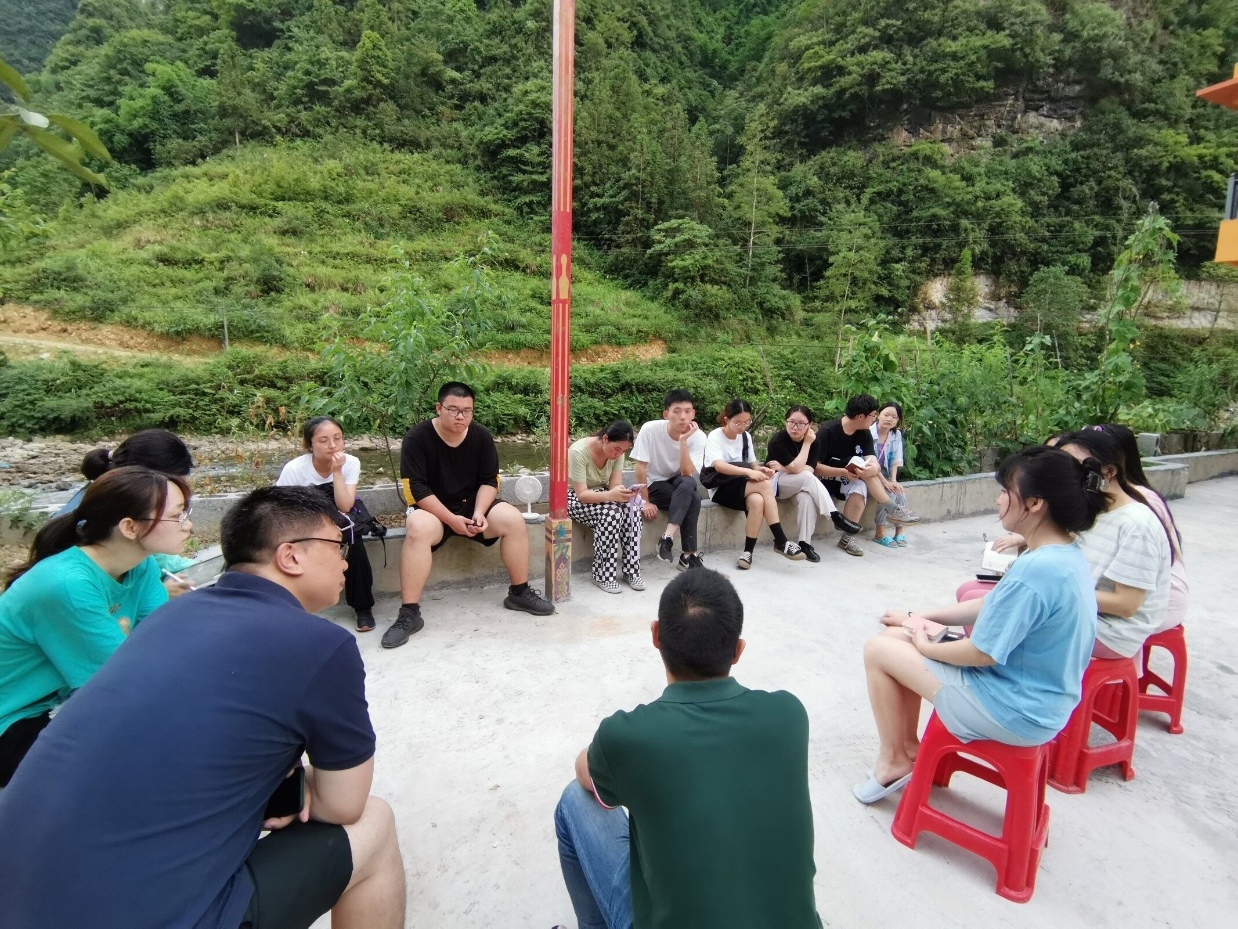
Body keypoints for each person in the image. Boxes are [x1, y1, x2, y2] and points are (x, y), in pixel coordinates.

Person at [0, 486, 405, 929]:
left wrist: (277, 785)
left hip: (18, 890)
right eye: (338, 545)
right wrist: (290, 787)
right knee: (374, 822)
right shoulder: (322, 645)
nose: (346, 560)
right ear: (290, 556)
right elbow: (344, 804)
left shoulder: (169, 617)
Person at [554, 568, 823, 929]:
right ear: (738, 650)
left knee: (575, 799)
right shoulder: (789, 714)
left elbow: (584, 772)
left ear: (655, 635)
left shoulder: (627, 735)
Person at [853, 446, 1105, 803]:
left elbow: (981, 653)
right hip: (1034, 697)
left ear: (1035, 503)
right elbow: (992, 604)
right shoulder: (1061, 553)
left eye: (1005, 491)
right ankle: (906, 750)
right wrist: (919, 618)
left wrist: (924, 643)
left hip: (1014, 708)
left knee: (878, 649)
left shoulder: (1038, 569)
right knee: (897, 633)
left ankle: (895, 759)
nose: (998, 500)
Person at [0, 466, 192, 786]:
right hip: (14, 718)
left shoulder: (140, 567)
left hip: (62, 702)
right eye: (177, 515)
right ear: (129, 527)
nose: (187, 524)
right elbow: (119, 685)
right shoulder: (69, 585)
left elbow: (161, 646)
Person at [383, 381, 554, 649]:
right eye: (453, 409)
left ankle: (519, 592)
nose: (460, 416)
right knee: (417, 528)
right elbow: (416, 489)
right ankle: (409, 614)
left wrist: (479, 512)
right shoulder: (417, 438)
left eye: (467, 411)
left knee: (512, 518)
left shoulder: (481, 437)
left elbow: (489, 480)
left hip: (472, 506)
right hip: (433, 509)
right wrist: (451, 520)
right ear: (439, 408)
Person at [1057, 428, 1173, 658]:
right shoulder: (1094, 511)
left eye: (1076, 468)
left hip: (1110, 632)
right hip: (1085, 615)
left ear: (1109, 471)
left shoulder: (1136, 525)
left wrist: (1056, 594)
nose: (1066, 477)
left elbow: (1125, 604)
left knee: (1005, 623)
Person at [55, 428, 197, 596]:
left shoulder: (143, 564)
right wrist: (162, 594)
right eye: (176, 514)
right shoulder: (77, 581)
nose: (187, 525)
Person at [277, 416, 377, 632]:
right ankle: (296, 607)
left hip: (339, 517)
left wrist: (336, 471)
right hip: (304, 521)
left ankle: (363, 608)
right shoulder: (294, 469)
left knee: (355, 544)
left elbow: (346, 505)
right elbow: (282, 508)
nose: (332, 445)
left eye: (337, 438)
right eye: (323, 440)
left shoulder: (350, 463)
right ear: (310, 445)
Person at [1097, 422, 1188, 632]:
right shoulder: (1115, 493)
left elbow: (1126, 602)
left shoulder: (1139, 503)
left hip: (1159, 602)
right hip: (1132, 595)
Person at [702, 398, 806, 570]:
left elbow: (752, 464)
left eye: (747, 422)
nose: (742, 427)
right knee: (765, 485)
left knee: (757, 501)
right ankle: (781, 540)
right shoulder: (715, 436)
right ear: (726, 419)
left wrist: (761, 470)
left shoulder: (746, 437)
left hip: (741, 486)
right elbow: (719, 466)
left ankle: (747, 553)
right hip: (721, 488)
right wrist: (750, 472)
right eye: (738, 422)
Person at [814, 394, 920, 557]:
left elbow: (872, 459)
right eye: (873, 415)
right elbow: (815, 467)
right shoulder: (828, 431)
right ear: (860, 416)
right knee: (858, 461)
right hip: (825, 479)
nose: (874, 419)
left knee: (861, 485)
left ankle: (847, 538)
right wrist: (843, 472)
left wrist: (873, 468)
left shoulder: (864, 433)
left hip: (848, 478)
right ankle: (892, 509)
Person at [764, 404, 862, 562]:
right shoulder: (778, 440)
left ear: (809, 425)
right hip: (776, 483)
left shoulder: (815, 442)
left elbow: (809, 469)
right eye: (791, 422)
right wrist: (805, 446)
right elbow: (801, 470)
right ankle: (835, 517)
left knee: (807, 499)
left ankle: (805, 544)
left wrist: (787, 467)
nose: (795, 427)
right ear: (785, 422)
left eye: (801, 423)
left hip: (799, 482)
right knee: (806, 478)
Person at [631, 388, 707, 570]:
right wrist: (645, 501)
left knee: (688, 483)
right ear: (666, 414)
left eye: (687, 411)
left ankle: (667, 537)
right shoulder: (650, 429)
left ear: (693, 414)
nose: (683, 417)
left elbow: (687, 473)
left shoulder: (698, 437)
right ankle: (689, 556)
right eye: (677, 411)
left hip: (680, 483)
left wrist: (683, 441)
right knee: (694, 498)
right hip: (654, 485)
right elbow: (640, 467)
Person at [568, 421, 645, 594]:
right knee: (611, 513)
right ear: (605, 439)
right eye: (617, 449)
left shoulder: (618, 454)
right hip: (574, 497)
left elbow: (614, 485)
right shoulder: (578, 452)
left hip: (602, 494)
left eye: (623, 451)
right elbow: (582, 495)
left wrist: (625, 494)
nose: (619, 454)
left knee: (632, 509)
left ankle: (631, 571)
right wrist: (611, 496)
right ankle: (603, 574)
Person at [871, 401, 912, 549]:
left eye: (894, 417)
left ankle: (899, 531)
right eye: (886, 415)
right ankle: (880, 533)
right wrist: (885, 483)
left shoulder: (896, 434)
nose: (889, 419)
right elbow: (869, 462)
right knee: (889, 493)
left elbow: (896, 460)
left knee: (899, 492)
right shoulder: (868, 433)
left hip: (886, 476)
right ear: (878, 415)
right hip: (871, 476)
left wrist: (893, 480)